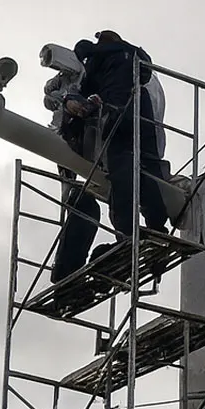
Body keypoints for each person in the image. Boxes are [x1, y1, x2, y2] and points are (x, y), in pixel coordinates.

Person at [78, 30, 169, 241]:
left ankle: (126, 233)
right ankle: (157, 226)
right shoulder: (135, 54)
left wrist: (74, 99)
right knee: (149, 170)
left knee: (121, 170)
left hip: (116, 109)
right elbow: (146, 73)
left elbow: (86, 84)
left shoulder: (98, 56)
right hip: (142, 109)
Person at [43, 39, 103, 285]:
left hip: (90, 146)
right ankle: (66, 272)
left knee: (82, 204)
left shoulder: (91, 79)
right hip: (81, 146)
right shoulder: (80, 82)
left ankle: (66, 272)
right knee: (82, 204)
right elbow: (50, 97)